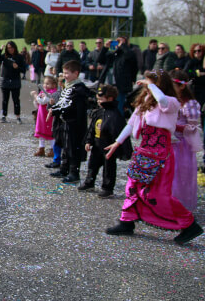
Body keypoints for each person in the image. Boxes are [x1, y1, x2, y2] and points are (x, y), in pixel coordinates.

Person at [104, 70, 203, 245]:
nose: (145, 87)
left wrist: (151, 85)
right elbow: (132, 123)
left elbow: (163, 101)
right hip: (144, 150)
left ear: (159, 85)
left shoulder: (171, 102)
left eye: (150, 84)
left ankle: (189, 225)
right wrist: (117, 143)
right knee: (132, 186)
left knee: (159, 194)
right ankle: (126, 221)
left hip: (161, 155)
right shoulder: (145, 102)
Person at [79, 85, 132, 198]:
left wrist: (117, 147)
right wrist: (89, 141)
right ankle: (89, 182)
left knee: (109, 168)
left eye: (101, 100)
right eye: (98, 99)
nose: (98, 102)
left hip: (108, 146)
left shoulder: (115, 114)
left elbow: (118, 131)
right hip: (97, 145)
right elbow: (92, 128)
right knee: (92, 165)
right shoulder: (99, 112)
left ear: (110, 99)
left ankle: (107, 188)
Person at [48, 60, 89, 183]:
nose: (64, 75)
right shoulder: (69, 87)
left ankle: (74, 173)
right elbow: (62, 103)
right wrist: (54, 108)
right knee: (66, 147)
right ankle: (64, 169)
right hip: (66, 122)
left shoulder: (79, 89)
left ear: (76, 73)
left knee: (73, 149)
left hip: (75, 124)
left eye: (67, 73)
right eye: (64, 73)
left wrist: (55, 111)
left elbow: (70, 106)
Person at [170, 69, 201, 211]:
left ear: (182, 86)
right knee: (168, 174)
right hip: (168, 143)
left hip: (182, 145)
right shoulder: (171, 100)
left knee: (180, 175)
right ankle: (167, 204)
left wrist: (174, 126)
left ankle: (180, 205)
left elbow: (193, 127)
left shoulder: (190, 104)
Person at [99, 36, 138, 115]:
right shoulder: (112, 54)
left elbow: (130, 57)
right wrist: (105, 48)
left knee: (118, 107)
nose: (118, 44)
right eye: (117, 42)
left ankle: (118, 125)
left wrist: (123, 45)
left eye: (121, 42)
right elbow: (100, 60)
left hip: (120, 85)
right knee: (105, 106)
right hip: (107, 84)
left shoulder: (128, 53)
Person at [0, 41, 25, 124]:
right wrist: (0, 50)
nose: (10, 49)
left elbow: (24, 70)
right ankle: (3, 116)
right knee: (5, 99)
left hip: (15, 81)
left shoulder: (19, 57)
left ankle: (18, 117)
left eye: (11, 47)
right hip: (5, 80)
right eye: (8, 48)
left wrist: (17, 67)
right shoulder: (4, 56)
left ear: (14, 48)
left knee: (16, 100)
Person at [31, 76, 58, 157]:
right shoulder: (43, 92)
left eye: (47, 84)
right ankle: (41, 148)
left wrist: (35, 95)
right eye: (44, 83)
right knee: (41, 131)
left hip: (48, 116)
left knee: (50, 132)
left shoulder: (52, 93)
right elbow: (37, 102)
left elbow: (42, 101)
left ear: (53, 85)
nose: (45, 85)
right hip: (41, 115)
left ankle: (53, 149)